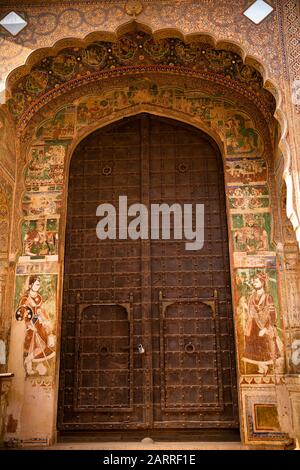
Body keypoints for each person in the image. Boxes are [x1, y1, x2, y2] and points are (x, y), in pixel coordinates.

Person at [243, 272, 282, 374]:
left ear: (262, 282)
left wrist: (265, 329)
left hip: (264, 327)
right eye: (253, 282)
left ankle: (269, 369)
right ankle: (261, 367)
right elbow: (250, 312)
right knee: (254, 349)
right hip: (253, 327)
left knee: (267, 348)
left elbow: (272, 314)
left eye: (256, 282)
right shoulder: (251, 297)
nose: (253, 283)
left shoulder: (268, 297)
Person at [15, 276, 55, 376]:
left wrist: (44, 320)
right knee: (30, 347)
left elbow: (40, 311)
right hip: (28, 326)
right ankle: (27, 367)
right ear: (30, 285)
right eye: (36, 284)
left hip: (38, 324)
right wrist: (29, 324)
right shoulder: (25, 299)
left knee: (41, 345)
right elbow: (22, 313)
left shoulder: (39, 297)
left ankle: (28, 361)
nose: (38, 286)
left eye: (39, 284)